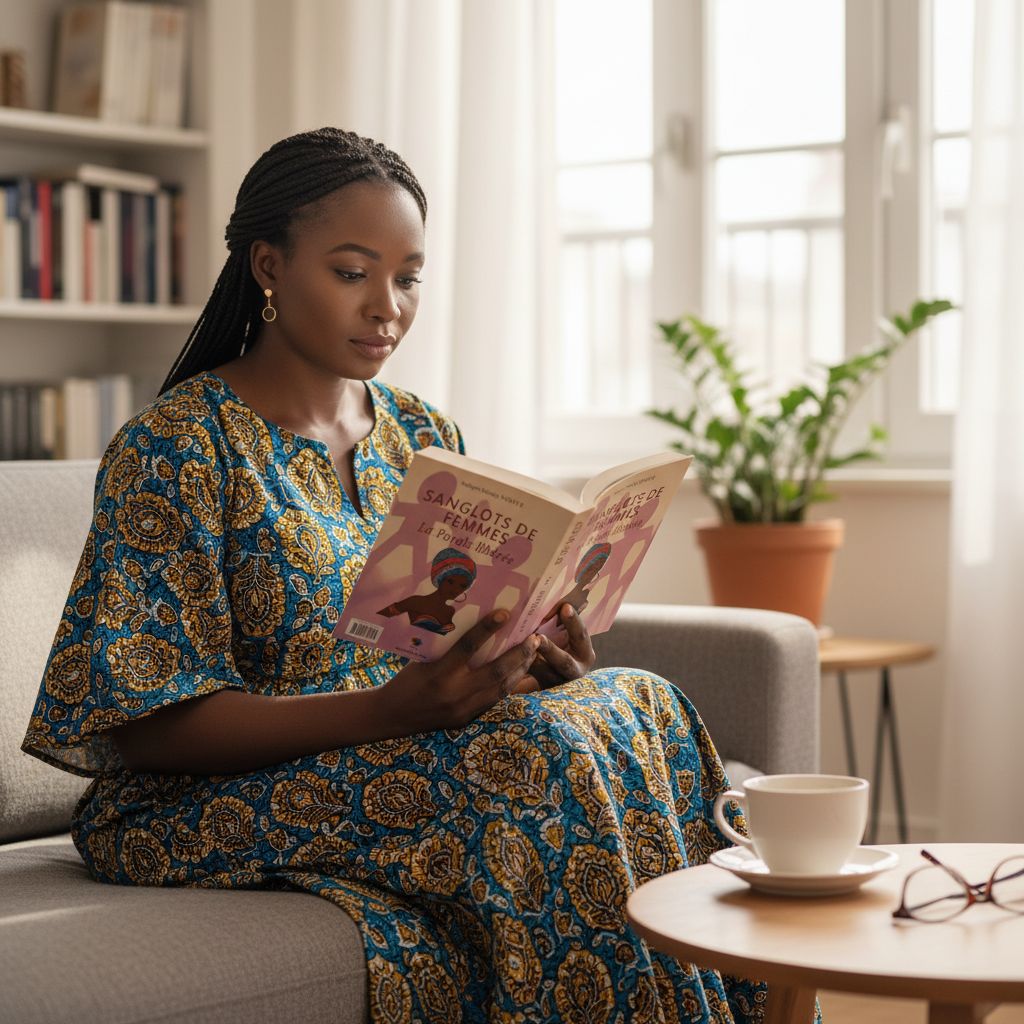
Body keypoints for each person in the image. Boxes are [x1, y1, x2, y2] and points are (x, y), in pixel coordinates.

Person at [21, 127, 771, 1024]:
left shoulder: (423, 434)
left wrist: (523, 655)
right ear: (268, 265)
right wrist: (393, 710)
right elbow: (142, 728)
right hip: (187, 803)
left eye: (408, 277)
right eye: (351, 272)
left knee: (641, 700)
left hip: (405, 746)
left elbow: (440, 635)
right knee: (537, 758)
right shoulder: (175, 448)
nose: (388, 307)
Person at [378, 546, 477, 634]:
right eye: (450, 582)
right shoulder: (415, 601)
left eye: (462, 586)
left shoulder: (450, 611)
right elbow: (378, 618)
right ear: (440, 578)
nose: (455, 589)